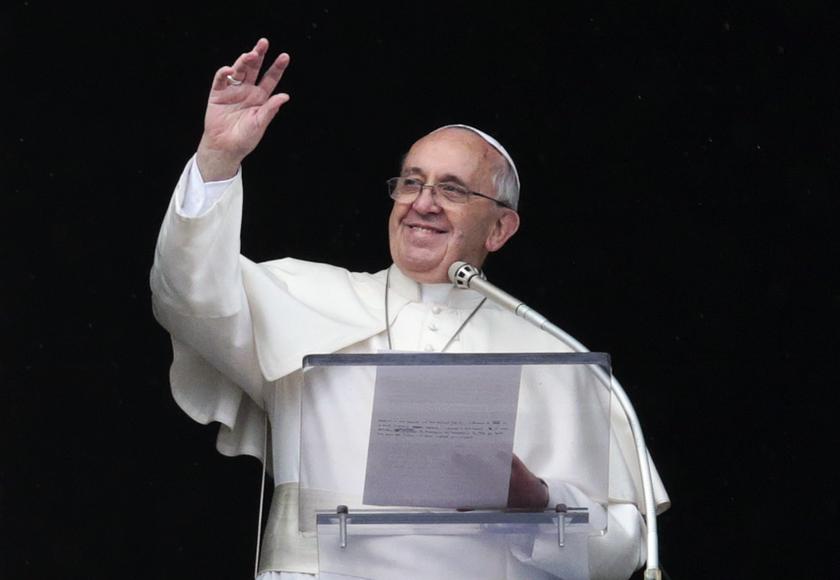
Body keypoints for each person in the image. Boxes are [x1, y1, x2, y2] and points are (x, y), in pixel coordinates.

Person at [151, 38, 669, 580]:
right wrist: (217, 158)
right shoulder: (304, 296)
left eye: (452, 190)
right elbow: (189, 293)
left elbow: (621, 547)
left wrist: (535, 501)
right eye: (412, 183)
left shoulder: (554, 353)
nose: (423, 203)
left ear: (500, 228)